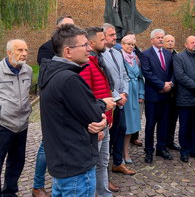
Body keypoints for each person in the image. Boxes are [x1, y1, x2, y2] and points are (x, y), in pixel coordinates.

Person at [38, 24, 115, 195]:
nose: (89, 49)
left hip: (63, 162)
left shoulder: (52, 74)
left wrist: (98, 110)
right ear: (67, 52)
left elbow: (77, 109)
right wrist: (101, 113)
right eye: (84, 45)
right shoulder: (69, 79)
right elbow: (93, 115)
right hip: (76, 165)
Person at [33, 15, 75, 197]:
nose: (69, 30)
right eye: (66, 26)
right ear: (57, 28)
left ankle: (66, 178)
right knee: (46, 144)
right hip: (55, 103)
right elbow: (47, 74)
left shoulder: (75, 47)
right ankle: (37, 185)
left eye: (72, 26)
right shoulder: (46, 48)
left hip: (71, 101)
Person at [79, 27, 120, 195]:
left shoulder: (98, 61)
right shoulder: (87, 65)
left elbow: (105, 89)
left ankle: (104, 193)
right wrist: (97, 121)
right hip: (97, 122)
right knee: (92, 164)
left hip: (105, 119)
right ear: (91, 43)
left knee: (103, 163)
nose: (105, 42)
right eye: (102, 40)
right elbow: (86, 97)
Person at [101, 23, 135, 175]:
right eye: (111, 35)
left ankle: (117, 163)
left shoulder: (118, 53)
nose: (115, 37)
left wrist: (125, 94)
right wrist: (116, 97)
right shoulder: (99, 55)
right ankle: (105, 170)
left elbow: (125, 76)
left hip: (121, 100)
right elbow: (105, 80)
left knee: (121, 130)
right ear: (102, 36)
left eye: (115, 34)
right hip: (109, 102)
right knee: (108, 136)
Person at [0, 39, 32, 196]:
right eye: (20, 50)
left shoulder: (28, 71)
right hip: (3, 125)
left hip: (22, 125)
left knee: (17, 162)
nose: (24, 54)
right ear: (9, 52)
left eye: (26, 50)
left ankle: (10, 192)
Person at [140, 29, 175, 163]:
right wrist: (161, 85)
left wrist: (170, 84)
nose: (161, 39)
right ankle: (148, 150)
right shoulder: (146, 54)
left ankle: (161, 148)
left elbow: (173, 72)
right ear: (152, 40)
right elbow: (147, 74)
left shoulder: (168, 54)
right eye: (158, 38)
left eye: (162, 37)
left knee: (164, 123)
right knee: (150, 125)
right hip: (153, 96)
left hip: (166, 96)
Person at [173, 36, 195, 162]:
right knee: (185, 126)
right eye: (192, 43)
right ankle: (184, 150)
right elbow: (180, 76)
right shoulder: (179, 57)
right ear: (186, 44)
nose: (194, 45)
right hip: (185, 98)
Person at [120, 35, 145, 163]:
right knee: (122, 125)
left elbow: (141, 77)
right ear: (122, 44)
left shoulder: (136, 59)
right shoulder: (119, 58)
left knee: (130, 125)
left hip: (134, 94)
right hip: (124, 94)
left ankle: (126, 152)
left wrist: (141, 94)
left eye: (132, 45)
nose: (130, 46)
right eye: (128, 44)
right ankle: (119, 153)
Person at [163, 34, 181, 151]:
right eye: (168, 41)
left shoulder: (178, 55)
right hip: (163, 92)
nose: (170, 43)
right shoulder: (161, 55)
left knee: (174, 119)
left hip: (176, 92)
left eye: (172, 41)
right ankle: (163, 142)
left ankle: (170, 141)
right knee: (164, 119)